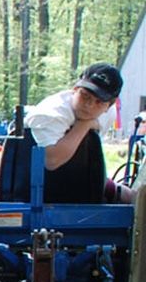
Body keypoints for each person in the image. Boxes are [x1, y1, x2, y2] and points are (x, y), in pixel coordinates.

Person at [25, 62, 135, 203]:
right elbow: (51, 161)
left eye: (99, 102)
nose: (89, 105)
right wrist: (85, 124)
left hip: (82, 182)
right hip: (35, 187)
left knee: (133, 198)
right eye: (85, 96)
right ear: (75, 89)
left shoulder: (109, 113)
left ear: (110, 104)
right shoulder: (50, 113)